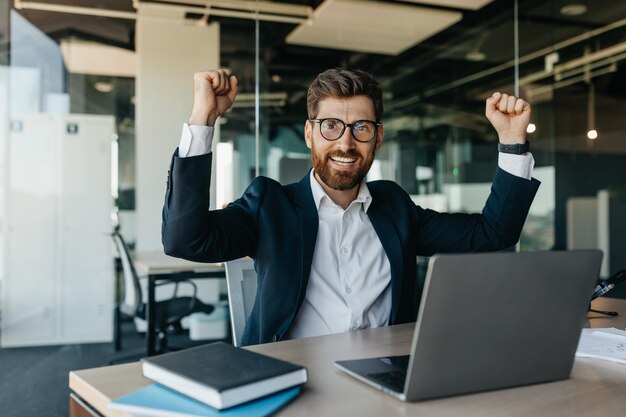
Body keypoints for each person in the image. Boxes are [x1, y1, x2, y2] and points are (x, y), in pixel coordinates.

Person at [162, 68, 540, 346]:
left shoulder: (394, 207)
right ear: (309, 134)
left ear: (377, 137)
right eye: (330, 126)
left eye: (360, 127)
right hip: (294, 382)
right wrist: (204, 119)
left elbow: (494, 233)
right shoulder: (270, 204)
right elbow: (185, 240)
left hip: (386, 384)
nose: (345, 142)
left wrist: (511, 141)